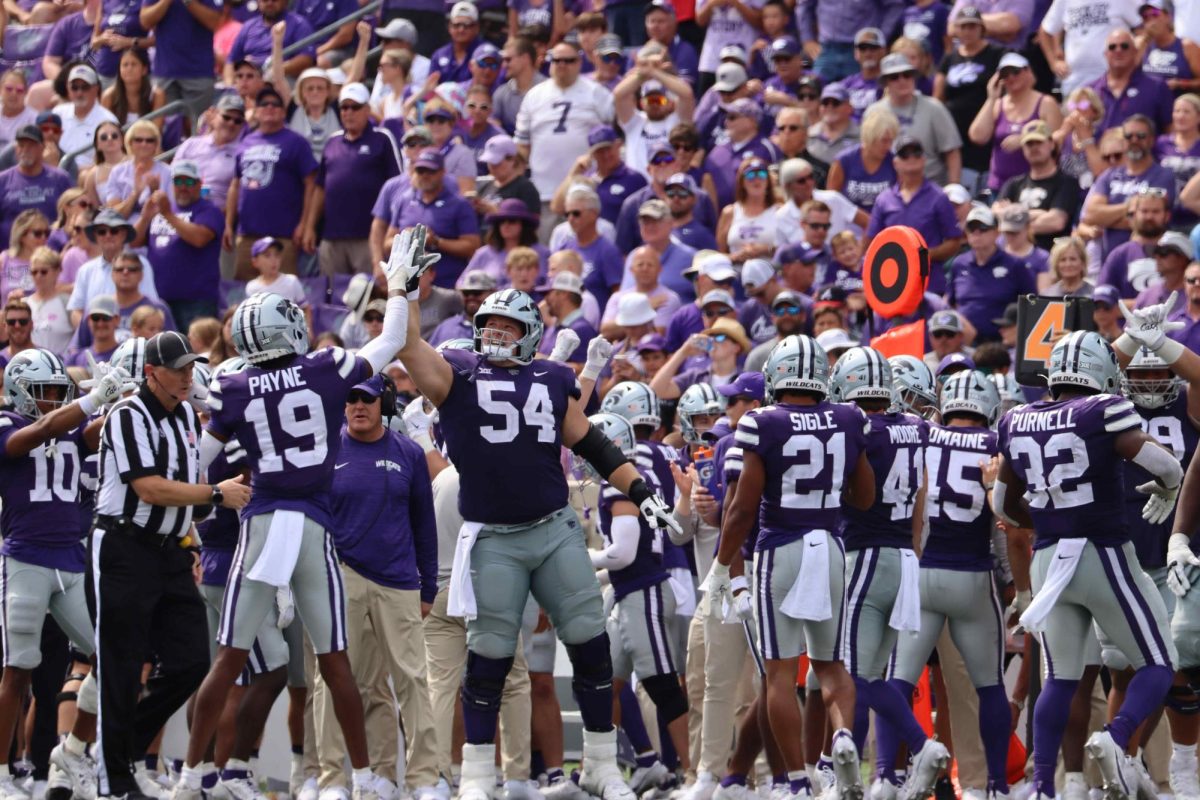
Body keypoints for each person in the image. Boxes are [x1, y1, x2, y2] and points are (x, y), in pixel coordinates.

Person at [393, 225, 678, 800]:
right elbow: (407, 346)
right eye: (489, 325)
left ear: (530, 335)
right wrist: (403, 293)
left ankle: (599, 763)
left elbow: (590, 443)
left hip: (553, 528)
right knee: (490, 654)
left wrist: (640, 488)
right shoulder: (455, 372)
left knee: (590, 641)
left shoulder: (551, 377)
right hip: (493, 536)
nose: (495, 333)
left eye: (507, 326)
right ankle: (476, 773)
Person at [172, 232, 432, 800]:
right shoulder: (325, 367)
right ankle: (362, 775)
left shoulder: (234, 385)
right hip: (314, 526)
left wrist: (204, 494)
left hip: (262, 523)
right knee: (335, 660)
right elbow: (390, 340)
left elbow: (199, 460)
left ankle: (191, 776)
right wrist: (399, 286)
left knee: (230, 658)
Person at [994, 325, 1184, 800]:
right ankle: (1117, 739)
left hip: (1047, 560)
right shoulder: (1105, 408)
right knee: (1160, 662)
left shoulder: (1017, 418)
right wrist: (1167, 489)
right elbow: (1168, 467)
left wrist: (1045, 518)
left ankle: (1043, 786)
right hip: (1102, 552)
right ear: (1101, 372)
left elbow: (1003, 506)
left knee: (1059, 677)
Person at [706, 335, 876, 800]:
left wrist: (723, 567)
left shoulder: (761, 421)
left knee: (778, 674)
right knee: (832, 668)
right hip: (830, 545)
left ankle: (797, 781)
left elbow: (742, 508)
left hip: (781, 547)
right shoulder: (847, 418)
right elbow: (864, 498)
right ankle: (842, 737)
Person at [91, 331, 249, 799]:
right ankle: (114, 779)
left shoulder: (184, 416)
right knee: (121, 663)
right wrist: (218, 494)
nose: (186, 375)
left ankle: (118, 749)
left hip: (170, 549)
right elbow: (151, 489)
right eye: (177, 368)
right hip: (123, 546)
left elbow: (187, 488)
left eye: (189, 367)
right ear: (150, 373)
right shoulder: (126, 415)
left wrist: (193, 535)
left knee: (190, 661)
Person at [314, 374, 440, 800]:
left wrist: (427, 588)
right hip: (341, 576)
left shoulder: (407, 453)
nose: (357, 407)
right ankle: (333, 778)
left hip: (400, 581)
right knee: (335, 680)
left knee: (410, 681)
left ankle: (416, 777)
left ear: (382, 403)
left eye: (366, 399)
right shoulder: (326, 450)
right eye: (350, 399)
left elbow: (425, 523)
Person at [306, 83, 401, 277]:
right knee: (332, 298)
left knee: (368, 295)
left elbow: (397, 187)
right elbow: (321, 188)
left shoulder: (382, 138)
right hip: (332, 237)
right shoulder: (332, 141)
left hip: (368, 237)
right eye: (344, 107)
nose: (348, 112)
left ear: (367, 110)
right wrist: (310, 227)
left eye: (355, 107)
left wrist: (390, 230)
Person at [225, 85, 318, 281]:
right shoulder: (246, 141)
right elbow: (235, 184)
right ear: (256, 111)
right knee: (244, 293)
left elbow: (311, 184)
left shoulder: (296, 142)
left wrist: (305, 224)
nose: (270, 107)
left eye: (275, 104)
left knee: (282, 298)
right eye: (264, 104)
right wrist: (228, 224)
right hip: (247, 234)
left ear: (284, 112)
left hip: (283, 235)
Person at [515, 41, 615, 211]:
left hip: (586, 189)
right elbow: (522, 145)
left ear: (579, 63)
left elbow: (613, 139)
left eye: (568, 61)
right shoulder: (534, 95)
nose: (562, 65)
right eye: (556, 60)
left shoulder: (597, 93)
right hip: (542, 190)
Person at [865, 135, 963, 296]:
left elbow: (954, 241)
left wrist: (923, 256)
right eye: (905, 155)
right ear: (895, 162)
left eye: (916, 154)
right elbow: (871, 241)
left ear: (924, 160)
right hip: (891, 284)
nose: (911, 158)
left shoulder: (938, 197)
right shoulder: (884, 199)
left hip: (928, 284)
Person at [136, 160, 223, 331]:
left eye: (189, 182)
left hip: (196, 301)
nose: (183, 187)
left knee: (197, 353)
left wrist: (167, 214)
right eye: (178, 181)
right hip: (158, 299)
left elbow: (199, 239)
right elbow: (134, 241)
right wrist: (145, 217)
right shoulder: (161, 209)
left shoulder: (208, 210)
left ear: (199, 184)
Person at [1083, 116, 1177, 258]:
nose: (1134, 140)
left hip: (1151, 257)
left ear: (1151, 140)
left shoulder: (1164, 176)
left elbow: (1153, 221)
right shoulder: (1109, 175)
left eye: (1140, 136)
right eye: (1128, 136)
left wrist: (1107, 219)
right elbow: (1090, 215)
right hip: (1111, 259)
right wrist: (1130, 206)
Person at [386, 150, 481, 290]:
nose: (425, 176)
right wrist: (406, 238)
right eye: (421, 171)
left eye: (431, 171)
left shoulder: (459, 204)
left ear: (442, 172)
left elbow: (472, 247)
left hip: (446, 284)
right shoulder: (404, 201)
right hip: (406, 285)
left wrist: (436, 241)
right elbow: (387, 243)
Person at [969, 52, 1063, 194]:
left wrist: (1025, 139)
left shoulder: (1046, 103)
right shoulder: (998, 105)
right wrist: (991, 98)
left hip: (1036, 186)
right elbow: (978, 136)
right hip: (1000, 187)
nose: (1011, 77)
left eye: (1016, 72)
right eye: (1005, 74)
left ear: (1028, 71)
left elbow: (1058, 141)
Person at [935, 6, 1003, 194]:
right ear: (956, 29)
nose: (968, 31)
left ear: (981, 28)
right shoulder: (949, 58)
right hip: (955, 132)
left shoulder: (997, 53)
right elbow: (938, 96)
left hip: (985, 129)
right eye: (963, 26)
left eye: (972, 26)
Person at [866, 53, 963, 186]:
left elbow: (951, 151)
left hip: (931, 184)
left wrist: (953, 187)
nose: (902, 80)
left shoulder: (934, 107)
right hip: (887, 187)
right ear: (886, 82)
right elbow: (867, 154)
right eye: (894, 77)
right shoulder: (874, 112)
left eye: (907, 75)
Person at [947, 205, 1037, 341]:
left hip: (1001, 344)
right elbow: (951, 303)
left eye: (983, 229)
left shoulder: (1015, 265)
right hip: (963, 343)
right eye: (971, 229)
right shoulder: (959, 263)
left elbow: (1032, 304)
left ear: (996, 232)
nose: (976, 234)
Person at [993, 120, 1082, 250]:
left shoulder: (1066, 182)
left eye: (1039, 142)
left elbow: (1056, 222)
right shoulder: (1013, 184)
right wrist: (1038, 214)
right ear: (1023, 148)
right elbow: (995, 213)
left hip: (1049, 254)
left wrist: (1012, 216)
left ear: (1051, 144)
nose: (1034, 147)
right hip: (1013, 255)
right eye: (1029, 143)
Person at [67, 209, 157, 328]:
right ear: (95, 236)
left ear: (124, 234)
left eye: (114, 231)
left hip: (132, 336)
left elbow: (150, 307)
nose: (108, 235)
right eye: (102, 232)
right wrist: (93, 333)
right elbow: (76, 311)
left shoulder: (141, 264)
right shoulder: (85, 271)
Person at [137, 0, 221, 121]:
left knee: (197, 129)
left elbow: (215, 22)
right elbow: (145, 21)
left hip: (198, 73)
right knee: (167, 130)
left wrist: (188, 2)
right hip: (165, 72)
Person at [1091, 29, 1175, 136]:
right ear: (1105, 54)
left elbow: (1170, 131)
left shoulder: (1157, 87)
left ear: (1135, 51)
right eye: (1112, 47)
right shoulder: (1091, 91)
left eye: (1124, 46)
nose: (1118, 50)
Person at [0, 126, 72, 248]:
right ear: (16, 149)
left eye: (31, 145)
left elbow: (72, 216)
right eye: (21, 145)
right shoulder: (3, 180)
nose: (25, 150)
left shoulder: (60, 179)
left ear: (42, 148)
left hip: (51, 258)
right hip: (13, 259)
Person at [797, 0, 904, 83]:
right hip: (826, 50)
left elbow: (895, 5)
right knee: (815, 92)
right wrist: (807, 39)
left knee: (859, 95)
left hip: (861, 50)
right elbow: (803, 5)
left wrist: (879, 38)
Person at [173, 95, 244, 213]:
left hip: (218, 215)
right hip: (182, 210)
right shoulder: (191, 144)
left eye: (237, 121)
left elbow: (240, 198)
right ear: (214, 116)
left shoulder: (242, 153)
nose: (231, 123)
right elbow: (172, 179)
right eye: (226, 117)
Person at [827, 108, 899, 213]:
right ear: (869, 137)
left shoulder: (894, 161)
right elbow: (831, 198)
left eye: (891, 141)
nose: (888, 146)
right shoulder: (844, 160)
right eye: (884, 141)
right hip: (849, 223)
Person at [225, 0, 314, 82]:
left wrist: (274, 70)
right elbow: (231, 61)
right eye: (265, 0)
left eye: (274, 0)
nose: (269, 3)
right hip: (248, 79)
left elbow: (306, 58)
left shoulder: (299, 23)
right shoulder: (248, 26)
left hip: (282, 79)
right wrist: (229, 85)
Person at [52, 64, 118, 170]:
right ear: (68, 89)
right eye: (74, 87)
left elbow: (111, 160)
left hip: (89, 178)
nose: (79, 93)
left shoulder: (108, 121)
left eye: (85, 87)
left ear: (96, 89)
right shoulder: (57, 113)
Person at [103, 120, 172, 219]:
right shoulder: (117, 172)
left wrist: (154, 191)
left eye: (150, 140)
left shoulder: (168, 172)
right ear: (130, 143)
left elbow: (171, 212)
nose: (144, 144)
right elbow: (113, 216)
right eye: (138, 140)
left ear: (156, 145)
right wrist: (135, 193)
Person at [493, 37, 547, 135]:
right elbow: (494, 126)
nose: (504, 65)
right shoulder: (501, 93)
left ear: (525, 58)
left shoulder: (549, 90)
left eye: (508, 59)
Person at [100, 49, 166, 127]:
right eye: (125, 65)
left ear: (144, 69)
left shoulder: (156, 95)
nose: (129, 69)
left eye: (134, 64)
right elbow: (107, 131)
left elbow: (156, 130)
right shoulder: (108, 96)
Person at [808, 85, 861, 166]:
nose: (829, 107)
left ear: (849, 107)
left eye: (835, 103)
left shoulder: (862, 137)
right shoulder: (808, 135)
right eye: (825, 103)